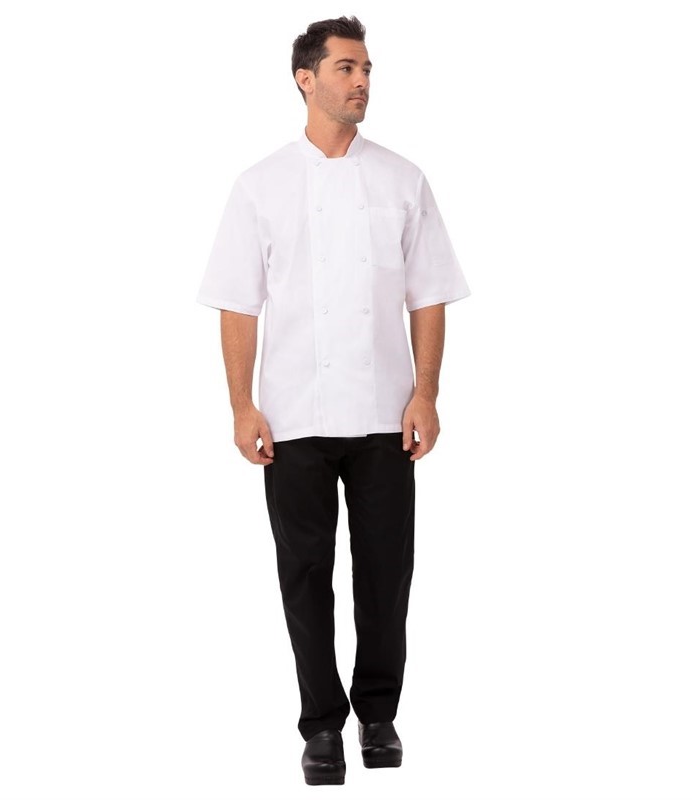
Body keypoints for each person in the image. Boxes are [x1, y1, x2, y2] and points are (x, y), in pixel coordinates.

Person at [196, 15, 471, 787]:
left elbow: (429, 295)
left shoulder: (403, 179)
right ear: (305, 78)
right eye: (347, 68)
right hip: (292, 416)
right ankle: (321, 727)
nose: (362, 82)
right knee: (304, 577)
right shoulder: (260, 185)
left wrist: (426, 393)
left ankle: (378, 717)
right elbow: (238, 303)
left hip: (386, 413)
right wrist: (242, 406)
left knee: (386, 576)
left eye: (367, 69)